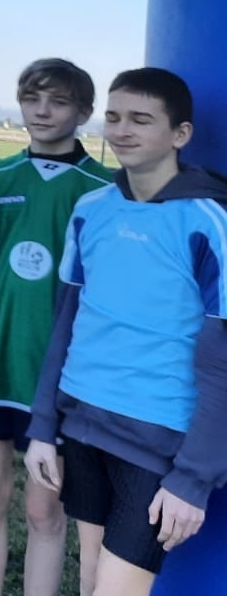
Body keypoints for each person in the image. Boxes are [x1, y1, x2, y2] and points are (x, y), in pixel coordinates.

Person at [26, 68, 227, 596]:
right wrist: (43, 426)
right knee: (91, 578)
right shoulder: (91, 210)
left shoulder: (208, 220)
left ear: (179, 135)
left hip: (157, 442)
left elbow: (222, 357)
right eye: (113, 117)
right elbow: (65, 323)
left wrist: (195, 476)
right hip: (85, 427)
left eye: (141, 119)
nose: (122, 130)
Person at [0, 59, 111, 596]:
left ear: (84, 113)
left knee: (44, 507)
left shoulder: (103, 191)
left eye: (59, 101)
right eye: (32, 98)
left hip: (61, 370)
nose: (42, 111)